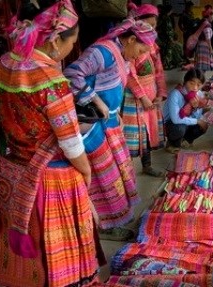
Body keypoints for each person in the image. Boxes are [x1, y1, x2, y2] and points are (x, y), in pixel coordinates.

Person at [0, 0, 102, 285]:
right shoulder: (51, 80)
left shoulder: (4, 64)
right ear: (55, 41)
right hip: (51, 180)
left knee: (19, 247)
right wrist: (86, 171)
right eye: (71, 43)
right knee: (52, 251)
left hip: (13, 170)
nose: (71, 50)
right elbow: (70, 144)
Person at [64, 19, 157, 240]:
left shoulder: (121, 55)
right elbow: (71, 74)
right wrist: (94, 99)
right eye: (141, 50)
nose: (139, 56)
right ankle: (105, 225)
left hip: (111, 123)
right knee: (103, 177)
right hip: (95, 127)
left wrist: (117, 115)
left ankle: (115, 219)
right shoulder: (103, 52)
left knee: (117, 174)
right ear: (131, 40)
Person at [121, 4, 166, 177]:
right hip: (135, 95)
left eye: (154, 26)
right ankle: (127, 172)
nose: (152, 29)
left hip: (151, 91)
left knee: (149, 131)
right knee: (134, 134)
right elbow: (130, 74)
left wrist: (160, 93)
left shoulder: (153, 46)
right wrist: (143, 98)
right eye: (149, 25)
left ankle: (147, 165)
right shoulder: (132, 47)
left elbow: (159, 70)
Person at [163, 68, 208, 153]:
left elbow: (197, 116)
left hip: (185, 121)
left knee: (204, 124)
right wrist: (198, 121)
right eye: (191, 83)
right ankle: (172, 143)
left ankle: (186, 139)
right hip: (171, 124)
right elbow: (176, 119)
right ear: (185, 82)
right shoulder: (175, 94)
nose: (195, 88)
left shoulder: (198, 94)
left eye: (198, 85)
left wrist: (195, 108)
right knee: (180, 128)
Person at [157, 4, 184, 69]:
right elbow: (168, 30)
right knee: (168, 52)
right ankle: (166, 65)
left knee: (163, 52)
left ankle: (164, 64)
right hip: (166, 39)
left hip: (161, 38)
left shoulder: (161, 17)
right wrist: (171, 39)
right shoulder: (167, 18)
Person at [194, 7, 213, 72]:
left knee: (199, 65)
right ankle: (199, 80)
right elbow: (208, 38)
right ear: (209, 15)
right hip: (204, 46)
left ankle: (199, 79)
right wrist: (211, 49)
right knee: (202, 67)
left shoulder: (202, 21)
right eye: (212, 15)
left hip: (200, 44)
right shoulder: (207, 24)